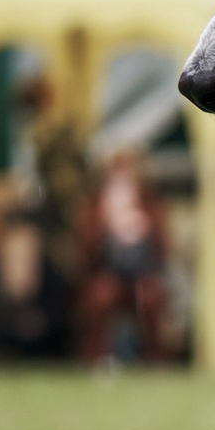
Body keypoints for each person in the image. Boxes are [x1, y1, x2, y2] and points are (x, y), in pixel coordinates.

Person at [77, 150, 170, 365]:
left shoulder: (149, 203)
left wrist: (143, 228)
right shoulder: (95, 204)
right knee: (101, 297)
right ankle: (95, 359)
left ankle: (156, 361)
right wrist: (106, 225)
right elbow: (85, 249)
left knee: (150, 297)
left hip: (142, 275)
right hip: (108, 274)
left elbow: (164, 246)